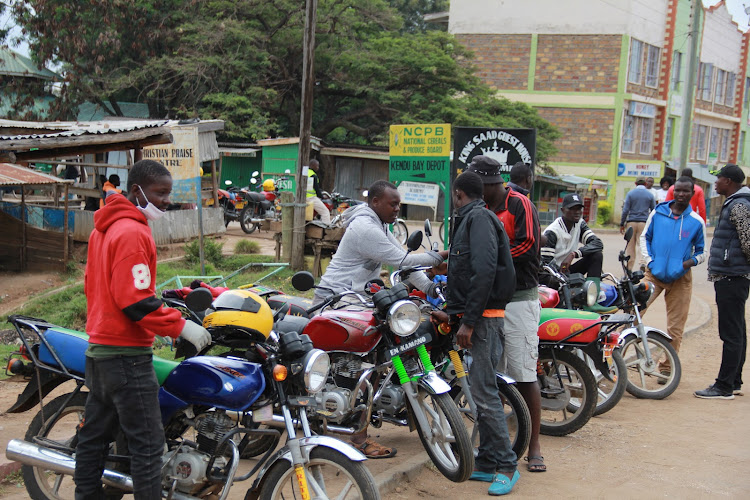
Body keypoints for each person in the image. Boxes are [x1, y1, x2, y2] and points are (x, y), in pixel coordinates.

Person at [74, 160, 211, 498]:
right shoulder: (133, 231)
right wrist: (180, 327)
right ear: (137, 190)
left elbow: (96, 287)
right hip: (127, 358)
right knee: (148, 448)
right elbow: (135, 301)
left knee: (93, 440)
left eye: (168, 193)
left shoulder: (102, 228)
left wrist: (162, 321)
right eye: (160, 193)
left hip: (100, 351)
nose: (166, 200)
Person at [314, 179, 446, 457]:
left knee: (380, 357)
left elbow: (405, 266)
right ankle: (356, 436)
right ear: (375, 202)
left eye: (399, 204)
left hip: (357, 299)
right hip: (336, 300)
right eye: (393, 203)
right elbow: (402, 260)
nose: (397, 208)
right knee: (365, 364)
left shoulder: (380, 226)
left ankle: (362, 418)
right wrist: (437, 256)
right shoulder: (365, 228)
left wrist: (432, 289)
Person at [433, 171, 519, 495]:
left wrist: (468, 321)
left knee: (484, 394)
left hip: (484, 319)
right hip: (478, 316)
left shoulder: (478, 219)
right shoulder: (474, 219)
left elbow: (484, 270)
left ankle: (507, 466)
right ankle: (485, 463)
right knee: (482, 391)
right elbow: (469, 269)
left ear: (458, 194)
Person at [467, 155, 545, 473]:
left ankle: (535, 445)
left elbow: (529, 247)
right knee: (492, 377)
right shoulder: (480, 208)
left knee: (523, 372)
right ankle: (493, 448)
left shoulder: (519, 204)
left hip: (519, 300)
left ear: (489, 185)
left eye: (477, 188)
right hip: (489, 301)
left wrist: (491, 257)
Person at [640, 176, 705, 379]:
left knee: (675, 328)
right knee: (634, 312)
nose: (681, 194)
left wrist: (685, 264)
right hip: (653, 275)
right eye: (678, 190)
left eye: (686, 191)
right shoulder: (657, 213)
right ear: (673, 191)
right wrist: (650, 261)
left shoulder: (696, 222)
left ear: (692, 194)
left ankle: (666, 368)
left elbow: (702, 253)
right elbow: (645, 237)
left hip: (681, 279)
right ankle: (619, 361)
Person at [695, 164, 750, 400]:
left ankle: (724, 386)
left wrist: (736, 266)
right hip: (733, 274)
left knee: (731, 333)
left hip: (732, 276)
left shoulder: (739, 205)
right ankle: (734, 381)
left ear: (728, 181)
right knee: (737, 330)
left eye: (718, 180)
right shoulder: (737, 202)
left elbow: (748, 242)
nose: (715, 183)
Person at [541, 193, 608, 312]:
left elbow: (597, 243)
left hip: (567, 270)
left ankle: (592, 301)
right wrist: (560, 274)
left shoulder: (579, 224)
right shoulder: (552, 232)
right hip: (553, 275)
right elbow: (545, 265)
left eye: (579, 208)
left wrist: (574, 254)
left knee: (596, 255)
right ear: (562, 210)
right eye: (572, 209)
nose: (576, 212)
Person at [620, 178, 655, 271]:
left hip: (631, 221)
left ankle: (629, 266)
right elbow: (654, 211)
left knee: (630, 245)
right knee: (642, 244)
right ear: (645, 183)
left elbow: (625, 210)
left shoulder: (630, 194)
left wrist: (622, 223)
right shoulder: (650, 195)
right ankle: (643, 263)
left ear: (635, 183)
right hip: (644, 222)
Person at [306, 159, 331, 224]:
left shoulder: (305, 172)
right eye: (317, 166)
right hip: (311, 198)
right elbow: (316, 189)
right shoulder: (313, 175)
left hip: (302, 197)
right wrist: (322, 196)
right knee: (325, 212)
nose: (318, 167)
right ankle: (326, 229)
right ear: (313, 165)